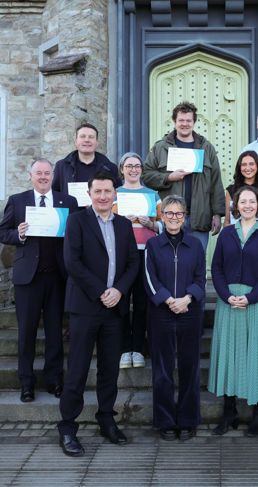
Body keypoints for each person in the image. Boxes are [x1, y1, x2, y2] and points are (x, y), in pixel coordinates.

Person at [57, 171, 140, 457]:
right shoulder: (77, 221)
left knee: (110, 369)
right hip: (85, 307)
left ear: (115, 194)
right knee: (78, 370)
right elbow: (72, 262)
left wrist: (118, 291)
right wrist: (101, 291)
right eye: (98, 191)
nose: (103, 196)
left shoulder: (123, 225)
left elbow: (132, 264)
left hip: (115, 309)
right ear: (89, 194)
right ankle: (67, 427)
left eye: (108, 191)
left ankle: (106, 419)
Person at [0, 158, 79, 402]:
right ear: (30, 176)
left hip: (57, 277)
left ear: (53, 176)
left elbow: (75, 235)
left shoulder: (68, 202)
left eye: (47, 173)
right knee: (27, 333)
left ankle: (54, 380)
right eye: (38, 173)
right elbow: (1, 233)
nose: (43, 177)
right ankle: (26, 383)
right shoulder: (18, 201)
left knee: (54, 332)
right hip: (28, 279)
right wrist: (18, 234)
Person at [208, 186, 258, 437]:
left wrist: (250, 297)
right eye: (242, 201)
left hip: (256, 301)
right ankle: (229, 412)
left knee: (256, 354)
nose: (247, 205)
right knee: (229, 354)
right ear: (235, 206)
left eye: (252, 201)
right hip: (228, 301)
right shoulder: (226, 234)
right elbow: (216, 268)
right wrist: (226, 295)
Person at [143, 195, 207, 441]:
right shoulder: (153, 245)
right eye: (169, 213)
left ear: (185, 217)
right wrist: (168, 300)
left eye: (179, 214)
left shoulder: (195, 245)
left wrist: (187, 299)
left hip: (190, 313)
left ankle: (188, 420)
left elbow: (200, 279)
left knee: (190, 368)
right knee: (163, 369)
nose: (174, 218)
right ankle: (165, 420)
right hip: (161, 313)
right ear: (162, 216)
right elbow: (150, 279)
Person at [142, 101, 225, 252]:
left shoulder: (207, 148)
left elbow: (216, 182)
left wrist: (218, 214)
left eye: (188, 120)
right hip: (169, 218)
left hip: (198, 218)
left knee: (195, 265)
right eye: (181, 120)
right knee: (168, 263)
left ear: (194, 122)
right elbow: (146, 175)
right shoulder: (160, 147)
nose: (184, 124)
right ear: (174, 122)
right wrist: (168, 178)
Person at [112, 152, 162, 369]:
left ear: (142, 169)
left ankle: (138, 348)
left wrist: (150, 224)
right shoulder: (113, 195)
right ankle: (124, 349)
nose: (133, 169)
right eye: (129, 166)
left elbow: (164, 226)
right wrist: (121, 222)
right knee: (122, 301)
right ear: (121, 169)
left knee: (142, 302)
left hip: (145, 252)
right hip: (121, 254)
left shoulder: (153, 195)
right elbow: (103, 223)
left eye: (137, 166)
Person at [52, 123, 121, 198]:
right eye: (82, 136)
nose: (87, 140)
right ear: (76, 141)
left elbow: (116, 195)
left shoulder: (110, 168)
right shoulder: (62, 166)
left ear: (97, 143)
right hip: (71, 209)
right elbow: (54, 194)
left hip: (100, 209)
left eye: (91, 137)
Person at [224, 150, 258, 228]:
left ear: (257, 166)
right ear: (239, 167)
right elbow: (227, 221)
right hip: (237, 237)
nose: (248, 168)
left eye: (251, 164)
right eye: (244, 164)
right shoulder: (231, 191)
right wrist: (229, 228)